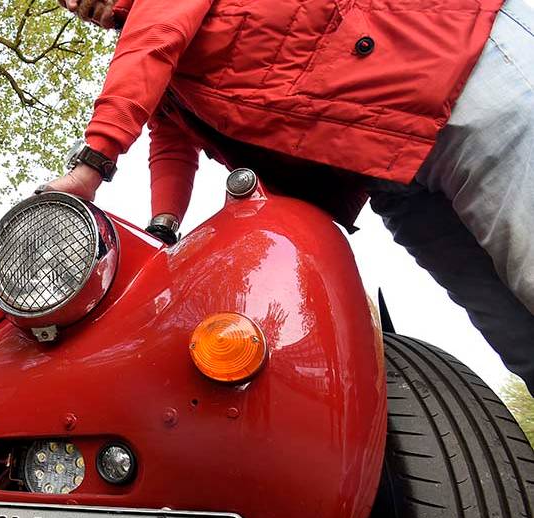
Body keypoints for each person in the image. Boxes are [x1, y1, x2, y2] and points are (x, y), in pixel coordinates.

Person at [48, 0, 534, 390]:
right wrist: (163, 228)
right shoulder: (175, 81)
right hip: (390, 169)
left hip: (455, 66)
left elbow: (155, 38)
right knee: (515, 335)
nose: (72, 4)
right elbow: (170, 145)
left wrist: (92, 164)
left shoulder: (156, 27)